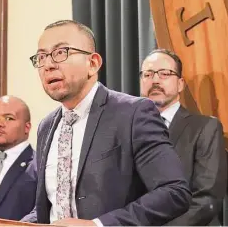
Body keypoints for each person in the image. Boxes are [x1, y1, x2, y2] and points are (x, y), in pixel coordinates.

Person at [21, 20, 191, 226]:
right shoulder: (46, 126)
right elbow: (52, 207)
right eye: (41, 57)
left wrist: (98, 225)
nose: (48, 65)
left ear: (93, 64)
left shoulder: (134, 113)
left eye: (60, 52)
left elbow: (174, 192)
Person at [140, 49, 227, 225]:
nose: (155, 80)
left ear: (180, 84)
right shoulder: (127, 127)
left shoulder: (205, 128)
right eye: (148, 74)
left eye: (164, 74)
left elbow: (206, 199)